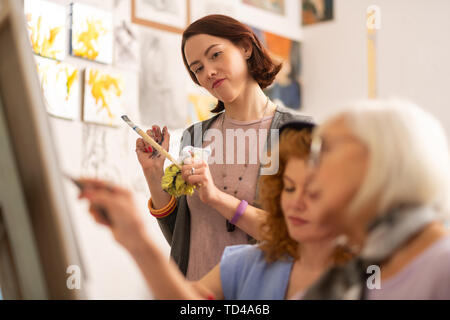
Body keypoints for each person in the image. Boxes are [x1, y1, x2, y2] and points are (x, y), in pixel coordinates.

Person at [78, 123, 353, 299]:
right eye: (289, 189)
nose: (296, 203)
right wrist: (136, 238)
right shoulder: (248, 263)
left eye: (314, 192)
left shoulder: (370, 275)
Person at [135, 14, 312, 280]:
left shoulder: (297, 134)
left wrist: (216, 197)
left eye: (215, 55)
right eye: (198, 69)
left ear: (245, 47)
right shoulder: (195, 136)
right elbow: (182, 239)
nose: (208, 72)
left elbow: (298, 236)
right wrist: (153, 173)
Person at [296, 99, 450, 299]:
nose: (308, 174)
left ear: (386, 152)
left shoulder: (444, 268)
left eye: (323, 149)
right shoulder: (348, 282)